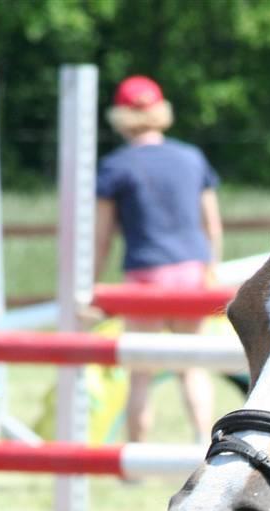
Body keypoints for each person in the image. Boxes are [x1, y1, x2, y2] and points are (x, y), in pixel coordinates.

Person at [95, 75, 223, 444]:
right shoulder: (191, 157)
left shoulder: (115, 166)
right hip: (191, 273)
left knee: (140, 374)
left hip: (145, 277)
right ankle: (203, 445)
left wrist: (92, 283)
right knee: (192, 368)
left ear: (119, 115)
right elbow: (211, 225)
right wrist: (211, 268)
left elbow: (101, 237)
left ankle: (136, 455)